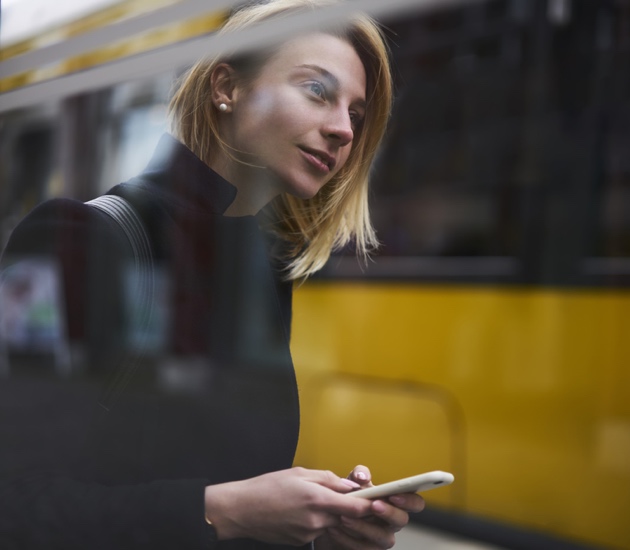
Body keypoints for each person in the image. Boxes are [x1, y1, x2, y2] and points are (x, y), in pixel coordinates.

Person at [0, 0, 424, 548]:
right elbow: (14, 504)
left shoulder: (261, 267)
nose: (344, 129)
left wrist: (322, 526)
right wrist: (219, 511)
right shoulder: (77, 237)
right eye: (318, 90)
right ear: (227, 86)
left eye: (357, 115)